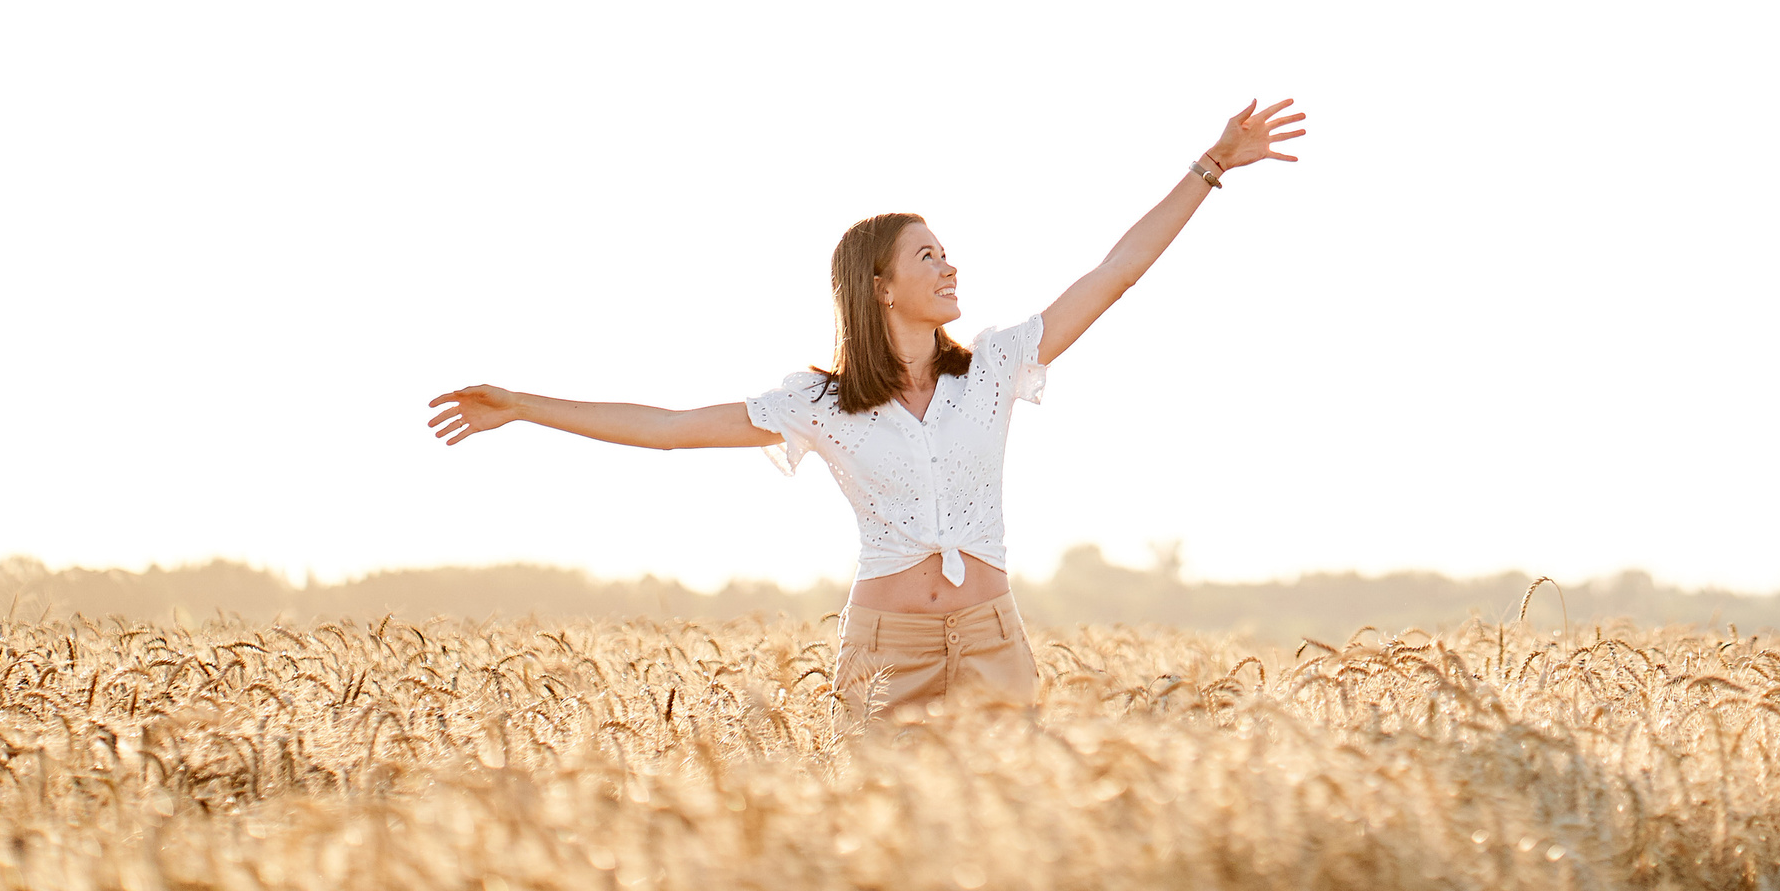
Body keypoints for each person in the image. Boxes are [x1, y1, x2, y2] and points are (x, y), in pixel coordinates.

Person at [425, 97, 1306, 719]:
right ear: (880, 287)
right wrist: (525, 405)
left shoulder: (994, 366)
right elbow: (665, 430)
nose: (950, 266)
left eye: (947, 251)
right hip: (886, 655)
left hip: (994, 640)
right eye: (929, 255)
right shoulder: (816, 404)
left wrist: (1212, 164)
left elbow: (1116, 272)